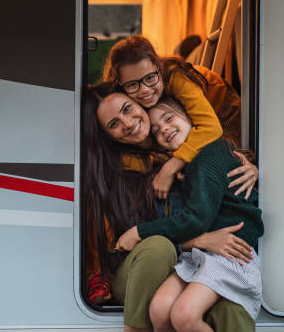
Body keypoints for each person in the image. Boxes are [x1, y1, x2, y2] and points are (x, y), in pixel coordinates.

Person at [83, 83, 258, 332]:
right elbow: (127, 244)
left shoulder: (180, 153)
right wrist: (201, 241)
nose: (128, 122)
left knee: (227, 307)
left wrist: (251, 169)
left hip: (193, 262)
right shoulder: (116, 172)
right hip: (141, 269)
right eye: (113, 124)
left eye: (128, 108)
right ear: (107, 135)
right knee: (158, 247)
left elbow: (220, 165)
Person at [102, 35, 249, 200]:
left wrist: (172, 166)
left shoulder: (175, 77)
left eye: (150, 78)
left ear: (159, 68)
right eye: (132, 84)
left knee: (225, 157)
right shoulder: (121, 105)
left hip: (220, 111)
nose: (144, 90)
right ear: (120, 85)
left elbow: (211, 128)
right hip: (180, 130)